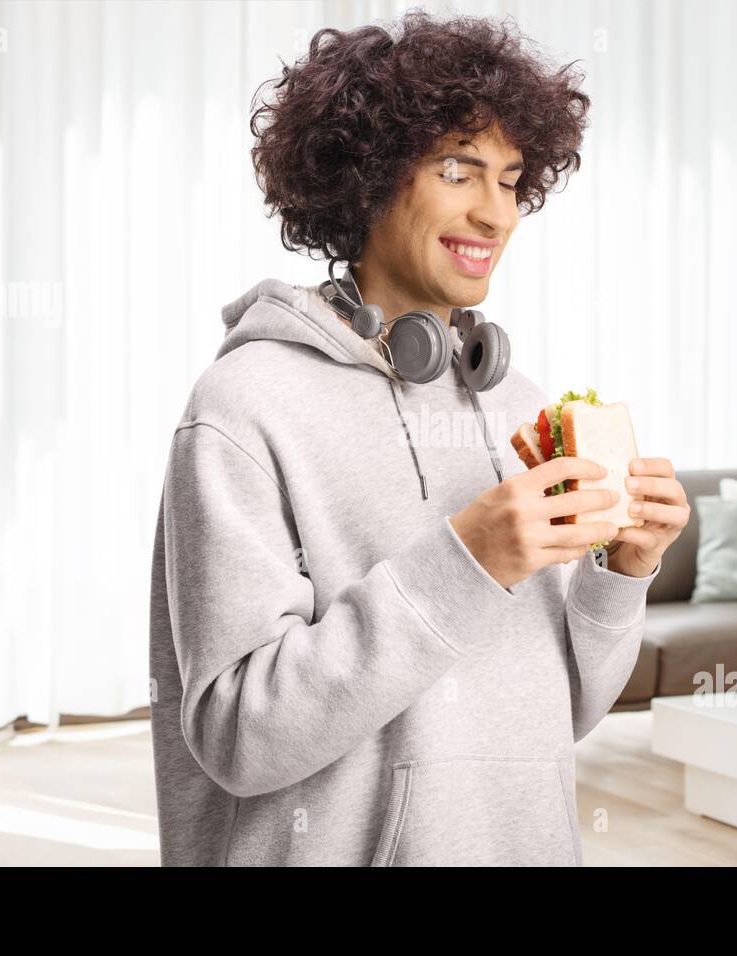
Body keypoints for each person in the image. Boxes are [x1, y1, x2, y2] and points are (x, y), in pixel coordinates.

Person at [148, 9, 689, 866]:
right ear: (363, 179)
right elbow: (239, 738)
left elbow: (563, 711)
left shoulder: (519, 406)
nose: (496, 215)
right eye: (458, 170)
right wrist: (466, 561)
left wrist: (620, 577)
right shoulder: (244, 406)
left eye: (512, 180)